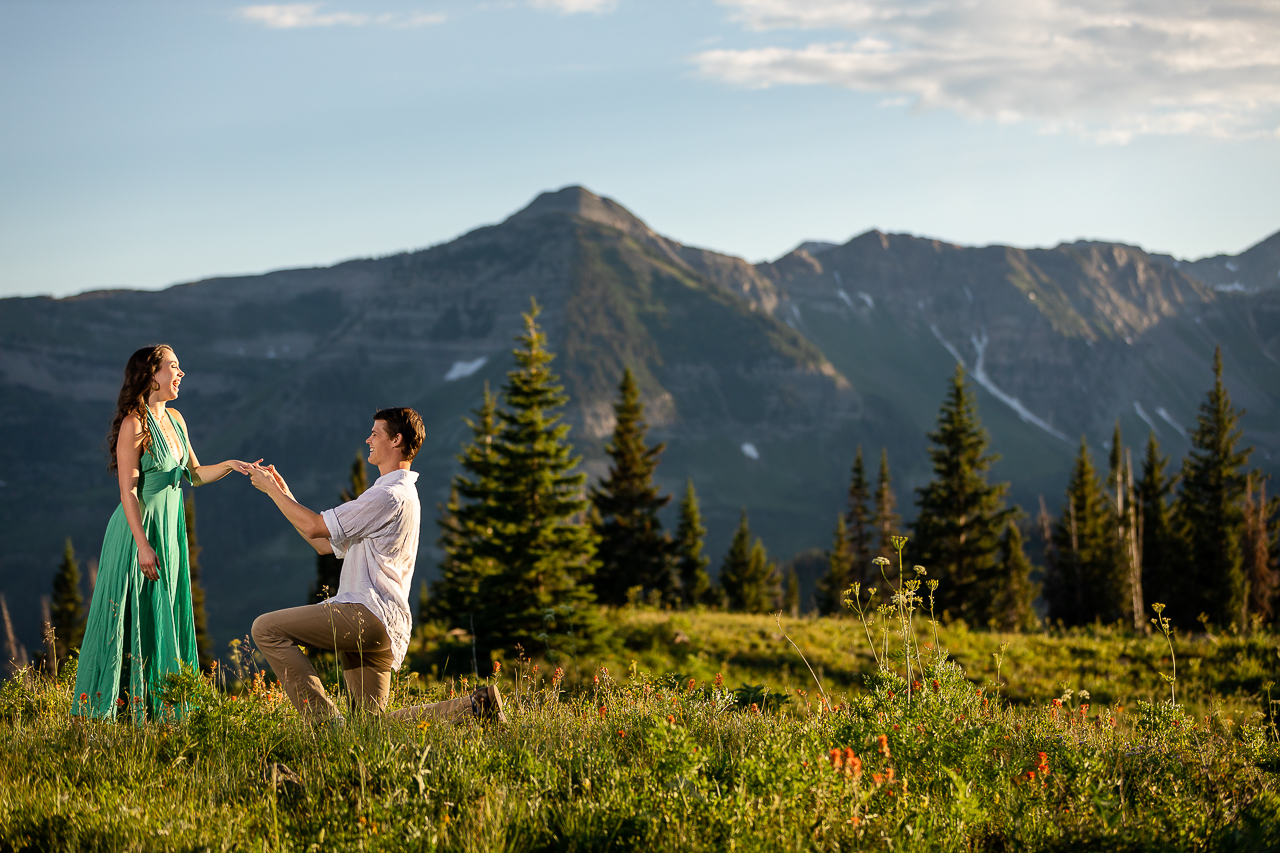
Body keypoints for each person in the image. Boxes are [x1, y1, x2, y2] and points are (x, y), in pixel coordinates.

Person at [248, 407, 504, 724]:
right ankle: (477, 706)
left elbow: (315, 527)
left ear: (396, 440)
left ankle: (325, 724)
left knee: (266, 629)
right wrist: (282, 492)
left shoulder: (389, 496)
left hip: (365, 614)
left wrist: (271, 489)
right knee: (370, 728)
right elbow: (323, 544)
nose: (368, 439)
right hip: (384, 623)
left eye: (375, 433)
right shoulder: (399, 494)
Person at [74, 344, 255, 722]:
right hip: (136, 533)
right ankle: (110, 713)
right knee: (128, 617)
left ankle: (159, 710)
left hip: (169, 533)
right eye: (173, 366)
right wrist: (142, 545)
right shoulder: (134, 424)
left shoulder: (176, 419)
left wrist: (231, 465)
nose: (180, 373)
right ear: (151, 374)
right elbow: (128, 490)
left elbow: (195, 474)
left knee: (161, 616)